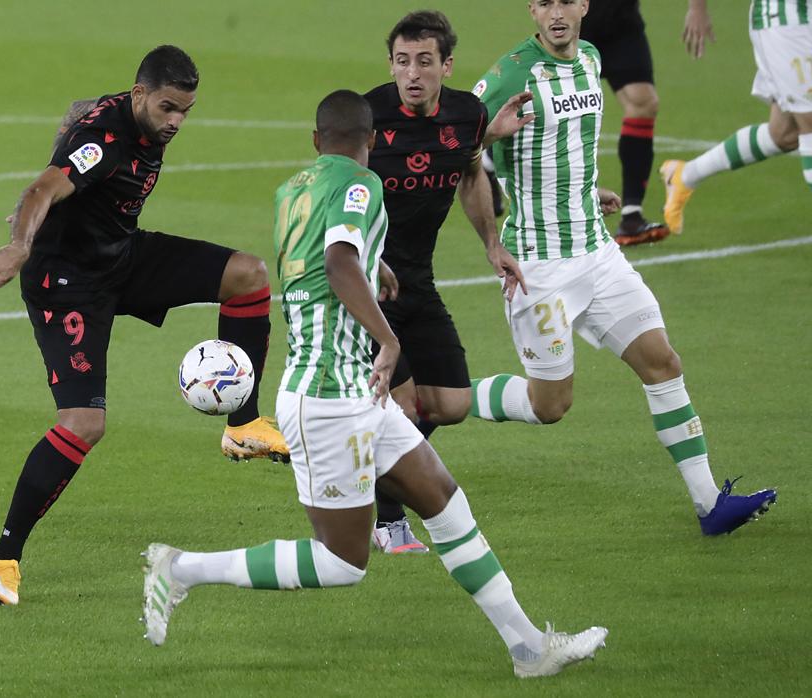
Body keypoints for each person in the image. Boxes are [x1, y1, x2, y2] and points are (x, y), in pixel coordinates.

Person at [140, 90, 609, 679]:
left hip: (354, 393)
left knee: (446, 503)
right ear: (374, 141)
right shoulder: (363, 187)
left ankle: (528, 651)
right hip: (327, 399)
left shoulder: (294, 190)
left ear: (316, 142)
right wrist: (389, 340)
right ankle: (181, 568)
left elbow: (318, 258)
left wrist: (375, 265)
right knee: (343, 562)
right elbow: (336, 262)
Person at [0, 46, 287, 606]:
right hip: (66, 282)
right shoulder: (108, 141)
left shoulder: (123, 116)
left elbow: (77, 110)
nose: (176, 122)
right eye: (168, 108)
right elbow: (42, 189)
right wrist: (21, 244)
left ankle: (241, 425)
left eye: (186, 112)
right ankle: (2, 559)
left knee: (249, 275)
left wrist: (67, 130)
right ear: (140, 95)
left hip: (121, 257)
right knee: (84, 423)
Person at [468, 0, 777, 535]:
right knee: (550, 405)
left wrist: (588, 193)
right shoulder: (510, 73)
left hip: (598, 252)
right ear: (531, 10)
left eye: (566, 1)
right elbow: (453, 145)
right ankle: (437, 394)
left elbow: (570, 149)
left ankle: (710, 505)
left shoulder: (590, 58)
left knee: (662, 362)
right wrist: (489, 143)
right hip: (538, 269)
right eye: (544, 3)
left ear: (584, 4)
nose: (556, 12)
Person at [362, 11, 531, 555]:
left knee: (452, 403)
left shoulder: (467, 115)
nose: (412, 73)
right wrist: (363, 259)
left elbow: (470, 171)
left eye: (425, 62)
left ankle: (364, 461)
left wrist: (492, 244)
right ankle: (388, 520)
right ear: (390, 64)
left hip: (417, 281)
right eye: (402, 62)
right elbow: (331, 195)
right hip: (363, 287)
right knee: (406, 407)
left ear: (446, 66)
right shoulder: (367, 117)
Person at [661, 0, 812, 233]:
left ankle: (685, 175)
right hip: (785, 18)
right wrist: (697, 8)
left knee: (785, 133)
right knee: (810, 122)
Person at [578, 0, 672, 245]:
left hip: (622, 19)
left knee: (643, 104)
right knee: (556, 102)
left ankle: (631, 217)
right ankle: (491, 159)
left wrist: (697, 7)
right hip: (575, 20)